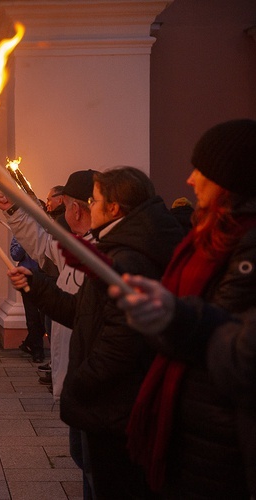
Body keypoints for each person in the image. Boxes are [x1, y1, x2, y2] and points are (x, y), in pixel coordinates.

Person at [5, 166, 184, 499]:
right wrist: (34, 286)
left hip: (114, 404)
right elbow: (80, 312)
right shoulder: (109, 249)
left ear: (113, 208)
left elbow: (120, 345)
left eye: (96, 200)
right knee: (90, 469)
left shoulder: (126, 258)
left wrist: (79, 383)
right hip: (105, 401)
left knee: (105, 481)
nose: (90, 206)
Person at [108, 119, 256, 499]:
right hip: (189, 426)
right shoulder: (206, 234)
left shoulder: (244, 244)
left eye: (201, 171)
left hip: (221, 439)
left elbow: (227, 340)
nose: (190, 180)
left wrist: (172, 315)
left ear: (228, 180)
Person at [109, 275, 256, 498]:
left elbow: (243, 354)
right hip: (191, 436)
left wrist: (178, 317)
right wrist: (174, 315)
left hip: (218, 442)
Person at [0, 170, 95, 498]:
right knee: (82, 457)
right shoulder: (78, 245)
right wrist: (12, 210)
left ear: (75, 210)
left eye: (64, 205)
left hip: (89, 378)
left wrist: (37, 288)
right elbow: (40, 243)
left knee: (92, 464)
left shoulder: (99, 254)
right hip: (75, 376)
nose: (60, 212)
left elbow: (78, 312)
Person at [10, 237, 45, 363]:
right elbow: (15, 255)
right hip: (26, 277)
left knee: (46, 315)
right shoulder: (19, 234)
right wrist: (25, 240)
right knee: (32, 316)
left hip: (45, 276)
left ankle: (30, 342)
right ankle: (37, 350)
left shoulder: (45, 230)